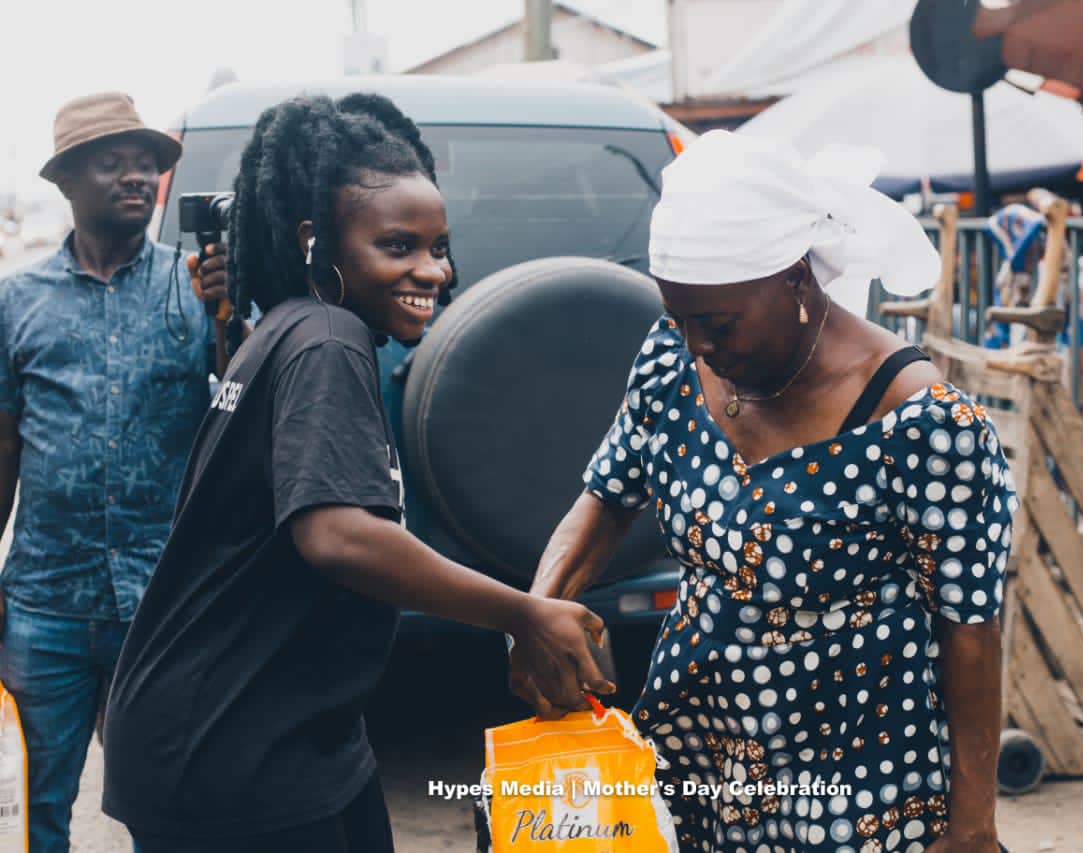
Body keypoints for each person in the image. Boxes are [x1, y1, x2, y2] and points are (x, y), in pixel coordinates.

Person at [101, 93, 612, 852]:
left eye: (439, 247)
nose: (432, 270)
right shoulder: (329, 338)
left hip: (277, 730)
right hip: (225, 747)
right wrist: (522, 613)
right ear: (316, 240)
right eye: (398, 246)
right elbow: (336, 534)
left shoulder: (285, 328)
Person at [511, 131, 1017, 853]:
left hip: (854, 782)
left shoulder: (923, 424)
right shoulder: (672, 359)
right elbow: (608, 494)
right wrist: (538, 612)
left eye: (716, 324)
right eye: (680, 319)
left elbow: (970, 632)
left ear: (796, 280)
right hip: (697, 748)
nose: (696, 346)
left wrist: (972, 828)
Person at [0, 91, 231, 853]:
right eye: (113, 163)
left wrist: (229, 321)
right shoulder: (15, 304)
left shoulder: (195, 288)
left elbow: (239, 412)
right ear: (67, 179)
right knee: (42, 808)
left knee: (166, 804)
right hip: (44, 606)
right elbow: (4, 452)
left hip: (159, 603)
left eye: (146, 166)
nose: (136, 177)